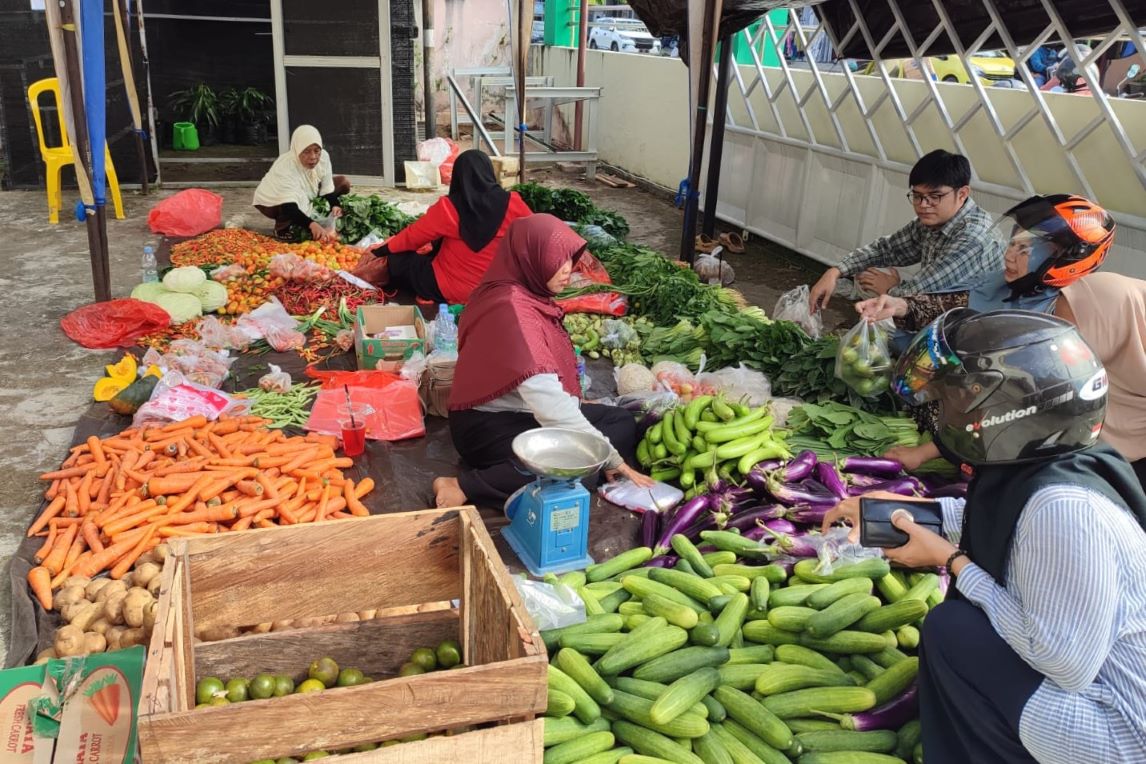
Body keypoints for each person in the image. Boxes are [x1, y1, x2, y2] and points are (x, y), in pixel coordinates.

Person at [823, 308, 1146, 764]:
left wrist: (954, 562)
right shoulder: (1048, 464)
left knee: (953, 631)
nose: (943, 411)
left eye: (958, 398)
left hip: (1118, 731)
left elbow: (1063, 663)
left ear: (1009, 411)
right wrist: (884, 511)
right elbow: (990, 517)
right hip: (1098, 689)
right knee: (956, 629)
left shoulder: (1065, 509)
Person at [854, 195, 1145, 478]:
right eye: (1014, 241)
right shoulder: (1020, 288)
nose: (1009, 253)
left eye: (1026, 248)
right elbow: (959, 309)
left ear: (1068, 257)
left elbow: (1017, 406)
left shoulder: (1103, 304)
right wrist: (899, 305)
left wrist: (924, 453)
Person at [432, 214, 653, 508]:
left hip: (519, 408)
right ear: (531, 257)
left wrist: (584, 420)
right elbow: (548, 403)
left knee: (621, 421)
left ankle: (579, 467)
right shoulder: (513, 311)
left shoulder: (521, 291)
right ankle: (465, 485)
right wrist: (613, 459)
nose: (567, 270)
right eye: (557, 260)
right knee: (579, 473)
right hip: (486, 427)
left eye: (568, 260)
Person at [808, 150, 1000, 312]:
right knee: (868, 276)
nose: (923, 205)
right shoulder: (933, 220)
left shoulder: (973, 238)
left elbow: (921, 293)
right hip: (935, 304)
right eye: (917, 196)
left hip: (972, 326)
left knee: (881, 316)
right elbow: (886, 249)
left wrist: (890, 289)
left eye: (935, 196)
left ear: (963, 194)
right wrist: (835, 271)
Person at [352, 150, 532, 305]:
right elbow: (536, 237)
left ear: (459, 177)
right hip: (497, 289)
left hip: (450, 288)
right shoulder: (514, 204)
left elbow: (412, 237)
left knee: (401, 261)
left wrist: (380, 251)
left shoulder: (449, 207)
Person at [253, 125, 350, 242]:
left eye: (316, 151)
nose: (313, 157)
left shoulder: (324, 157)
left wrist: (335, 204)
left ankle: (301, 215)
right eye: (306, 152)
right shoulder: (286, 166)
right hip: (272, 202)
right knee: (289, 205)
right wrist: (311, 224)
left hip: (306, 191)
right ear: (297, 149)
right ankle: (281, 228)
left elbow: (327, 186)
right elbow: (288, 205)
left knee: (342, 183)